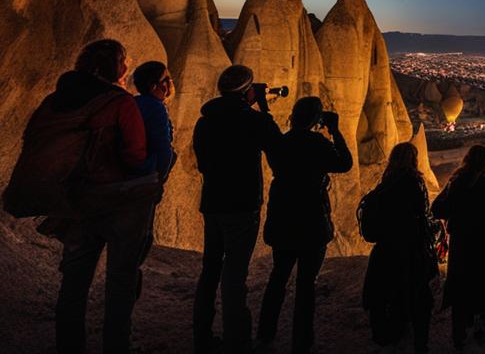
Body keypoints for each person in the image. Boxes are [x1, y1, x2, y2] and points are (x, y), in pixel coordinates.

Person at [30, 40, 154, 354]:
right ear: (112, 66)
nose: (127, 67)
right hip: (116, 202)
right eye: (123, 61)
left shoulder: (60, 99)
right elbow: (136, 154)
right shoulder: (119, 103)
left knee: (73, 283)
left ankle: (68, 346)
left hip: (77, 202)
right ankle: (116, 346)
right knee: (120, 283)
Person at [191, 65, 282, 353]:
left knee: (210, 270)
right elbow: (278, 151)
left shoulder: (204, 123)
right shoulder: (254, 121)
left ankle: (201, 335)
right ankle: (237, 340)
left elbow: (203, 164)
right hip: (242, 205)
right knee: (234, 273)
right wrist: (264, 110)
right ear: (247, 91)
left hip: (213, 203)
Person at [256, 97, 352, 353]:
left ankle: (265, 332)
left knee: (278, 277)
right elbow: (345, 163)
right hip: (311, 221)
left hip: (284, 218)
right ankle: (302, 340)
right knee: (306, 284)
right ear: (315, 119)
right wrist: (335, 131)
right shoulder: (317, 143)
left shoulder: (281, 143)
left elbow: (271, 137)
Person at [361, 142, 437, 352]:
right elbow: (421, 215)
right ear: (413, 159)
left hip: (386, 249)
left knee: (390, 291)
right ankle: (419, 342)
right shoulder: (414, 182)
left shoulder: (385, 183)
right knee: (418, 296)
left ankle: (389, 334)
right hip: (410, 247)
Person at [432, 144, 485, 348]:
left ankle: (459, 331)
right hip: (483, 243)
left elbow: (436, 209)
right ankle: (481, 327)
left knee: (460, 284)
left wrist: (456, 212)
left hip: (461, 243)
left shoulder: (456, 182)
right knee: (482, 283)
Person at [129, 60, 177, 299]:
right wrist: (160, 178)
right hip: (145, 180)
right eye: (166, 80)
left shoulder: (134, 103)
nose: (170, 84)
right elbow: (163, 149)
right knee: (140, 236)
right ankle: (126, 288)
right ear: (154, 86)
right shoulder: (156, 108)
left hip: (129, 177)